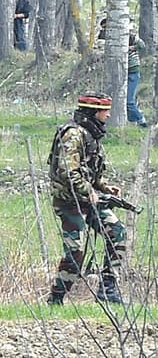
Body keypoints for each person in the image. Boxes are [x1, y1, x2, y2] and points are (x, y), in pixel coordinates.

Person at [45, 92, 127, 305]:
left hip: (88, 200)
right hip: (70, 202)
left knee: (117, 233)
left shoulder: (91, 134)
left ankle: (108, 288)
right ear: (93, 112)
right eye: (104, 111)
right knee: (75, 253)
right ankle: (56, 299)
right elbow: (68, 172)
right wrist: (88, 191)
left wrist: (103, 186)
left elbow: (89, 169)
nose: (108, 116)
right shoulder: (73, 134)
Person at [127, 33, 148, 128]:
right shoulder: (103, 36)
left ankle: (141, 121)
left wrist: (132, 48)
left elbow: (142, 45)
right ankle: (132, 122)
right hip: (121, 71)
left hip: (133, 71)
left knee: (129, 101)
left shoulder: (130, 36)